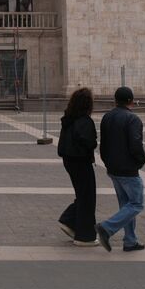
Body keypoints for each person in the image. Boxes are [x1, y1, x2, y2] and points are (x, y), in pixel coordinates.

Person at [96, 86, 145, 252]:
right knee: (136, 204)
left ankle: (130, 241)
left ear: (115, 100)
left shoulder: (107, 117)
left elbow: (103, 144)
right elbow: (135, 145)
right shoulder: (132, 119)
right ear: (131, 101)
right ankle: (107, 227)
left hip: (113, 168)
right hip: (128, 169)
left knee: (126, 205)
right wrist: (141, 160)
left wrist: (107, 162)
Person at [55, 87, 98, 246]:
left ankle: (69, 221)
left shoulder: (68, 119)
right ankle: (84, 236)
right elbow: (88, 142)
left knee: (83, 194)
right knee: (87, 197)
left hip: (69, 161)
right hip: (81, 161)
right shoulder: (84, 121)